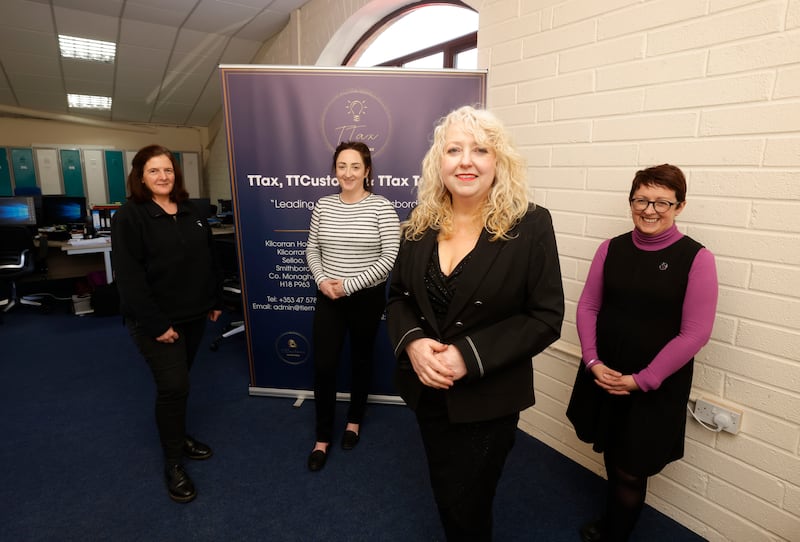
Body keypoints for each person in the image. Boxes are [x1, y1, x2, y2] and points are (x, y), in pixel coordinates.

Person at [386, 106, 565, 541]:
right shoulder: (418, 225)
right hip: (428, 393)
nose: (466, 161)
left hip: (489, 398)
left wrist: (469, 356)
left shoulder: (531, 224)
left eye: (480, 150)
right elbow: (398, 300)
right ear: (438, 162)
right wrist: (412, 343)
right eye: (454, 149)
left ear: (498, 162)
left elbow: (546, 316)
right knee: (447, 490)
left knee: (469, 501)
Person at [566, 164, 718, 541]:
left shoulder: (697, 259)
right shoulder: (610, 249)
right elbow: (588, 306)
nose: (650, 210)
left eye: (662, 202)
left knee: (632, 469)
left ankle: (615, 534)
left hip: (653, 385)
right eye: (641, 200)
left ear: (680, 206)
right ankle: (611, 522)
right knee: (614, 456)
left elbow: (695, 333)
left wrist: (643, 380)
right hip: (605, 373)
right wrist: (592, 362)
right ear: (631, 201)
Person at [111, 144, 223, 503]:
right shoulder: (131, 215)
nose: (163, 177)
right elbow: (129, 279)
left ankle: (179, 435)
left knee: (182, 382)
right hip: (154, 321)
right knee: (173, 386)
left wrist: (214, 299)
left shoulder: (191, 211)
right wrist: (157, 324)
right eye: (154, 171)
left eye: (168, 171)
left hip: (193, 315)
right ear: (140, 177)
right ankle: (173, 461)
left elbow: (207, 259)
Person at [305, 141, 400, 471]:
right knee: (324, 366)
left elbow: (389, 258)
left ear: (367, 171)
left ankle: (354, 420)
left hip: (364, 299)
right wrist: (321, 281)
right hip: (328, 296)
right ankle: (321, 437)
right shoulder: (323, 205)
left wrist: (348, 285)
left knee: (361, 359)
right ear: (335, 170)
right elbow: (311, 248)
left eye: (355, 166)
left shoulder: (382, 208)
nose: (347, 173)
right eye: (342, 166)